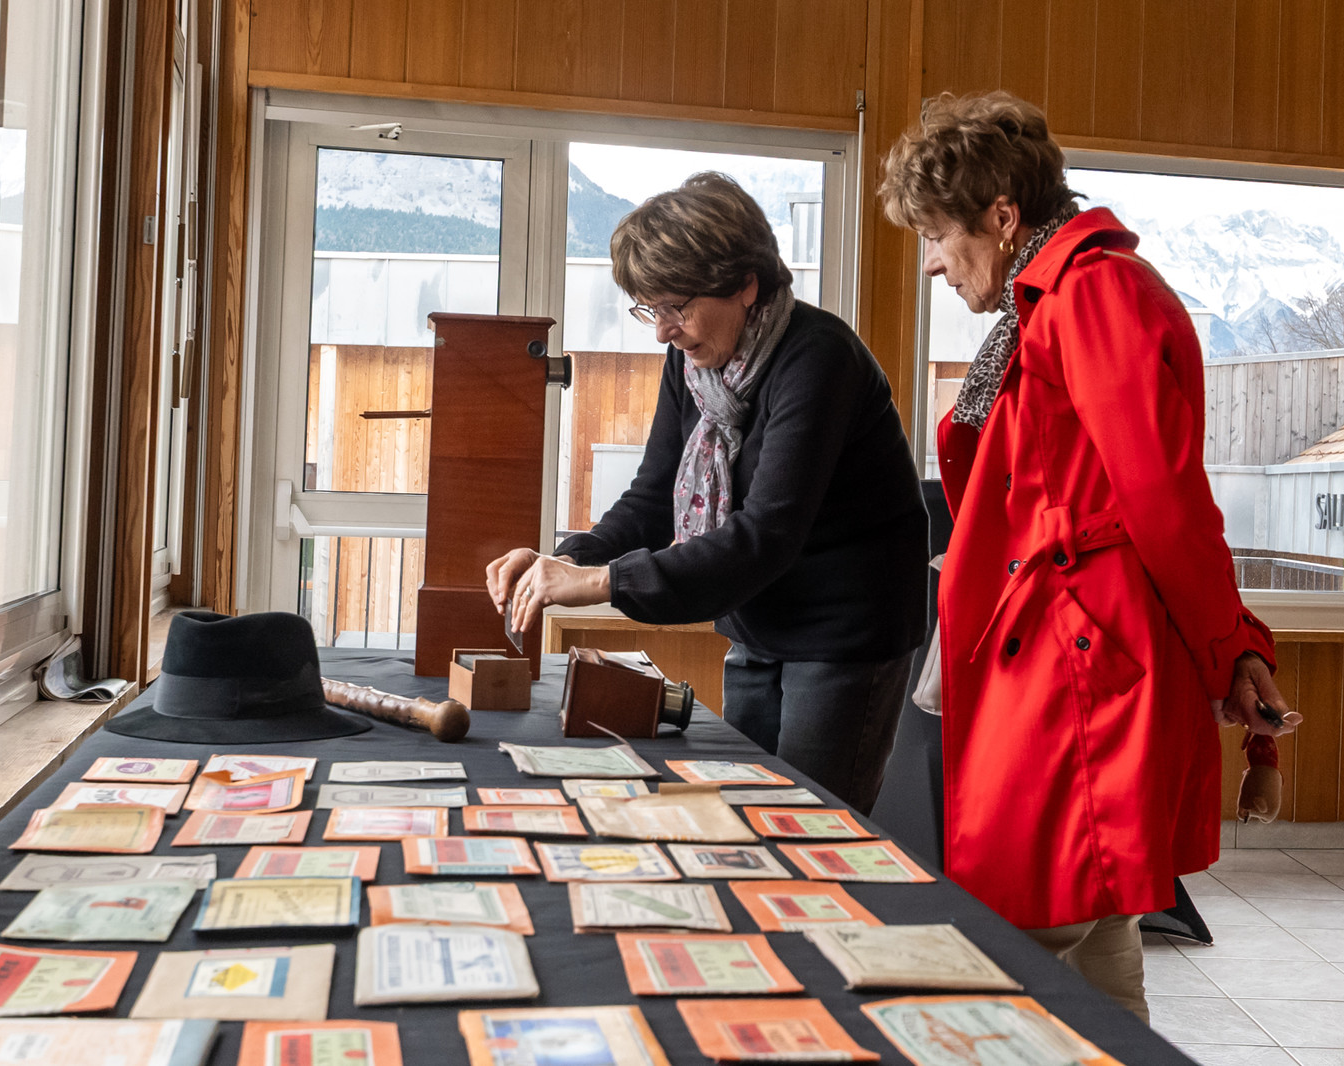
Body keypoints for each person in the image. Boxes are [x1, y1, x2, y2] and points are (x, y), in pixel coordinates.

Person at [878, 91, 1300, 1021]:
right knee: (1097, 913)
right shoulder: (1052, 297)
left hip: (1081, 662)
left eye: (940, 235)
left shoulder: (1092, 292)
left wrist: (1231, 641)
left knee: (1011, 935)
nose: (935, 262)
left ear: (1001, 214)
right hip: (1069, 651)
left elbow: (1162, 497)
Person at [486, 172, 928, 812]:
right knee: (744, 813)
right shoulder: (692, 362)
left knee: (808, 828)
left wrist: (607, 583)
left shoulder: (819, 359)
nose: (663, 331)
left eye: (677, 307)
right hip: (755, 622)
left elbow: (764, 537)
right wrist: (569, 559)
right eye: (650, 308)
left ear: (746, 284)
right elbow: (650, 497)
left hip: (844, 636)